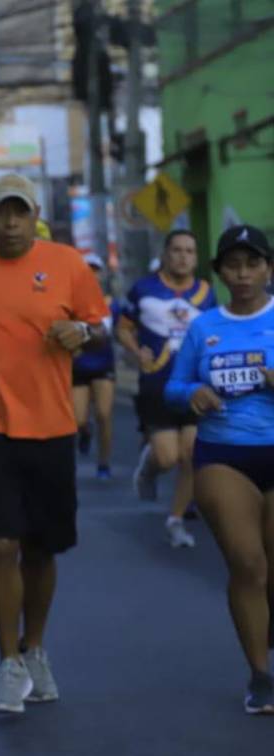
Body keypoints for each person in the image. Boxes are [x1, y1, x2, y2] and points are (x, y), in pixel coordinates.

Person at [0, 173, 110, 713]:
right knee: (0, 543)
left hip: (52, 425)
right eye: (0, 213)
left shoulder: (69, 264)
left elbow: (97, 323)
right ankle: (8, 661)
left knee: (41, 546)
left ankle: (36, 647)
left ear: (34, 215)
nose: (10, 222)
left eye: (20, 212)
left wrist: (82, 333)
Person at [164, 225, 274, 714]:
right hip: (224, 454)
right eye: (233, 265)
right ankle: (261, 675)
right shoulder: (203, 326)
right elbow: (173, 385)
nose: (244, 274)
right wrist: (192, 394)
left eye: (252, 264)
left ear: (267, 267)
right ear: (220, 272)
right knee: (248, 563)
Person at [117, 230, 216, 548]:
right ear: (166, 253)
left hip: (193, 387)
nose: (183, 256)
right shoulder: (144, 289)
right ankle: (149, 466)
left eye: (190, 251)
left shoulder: (206, 293)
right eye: (177, 250)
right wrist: (135, 351)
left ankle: (175, 520)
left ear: (196, 257)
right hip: (156, 385)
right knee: (168, 457)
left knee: (190, 454)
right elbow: (123, 326)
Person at [71, 253, 119, 479]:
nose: (91, 273)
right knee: (78, 419)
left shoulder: (110, 303)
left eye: (95, 269)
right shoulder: (69, 301)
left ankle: (104, 462)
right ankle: (85, 431)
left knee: (104, 413)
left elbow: (118, 331)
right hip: (77, 367)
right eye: (86, 269)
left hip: (103, 365)